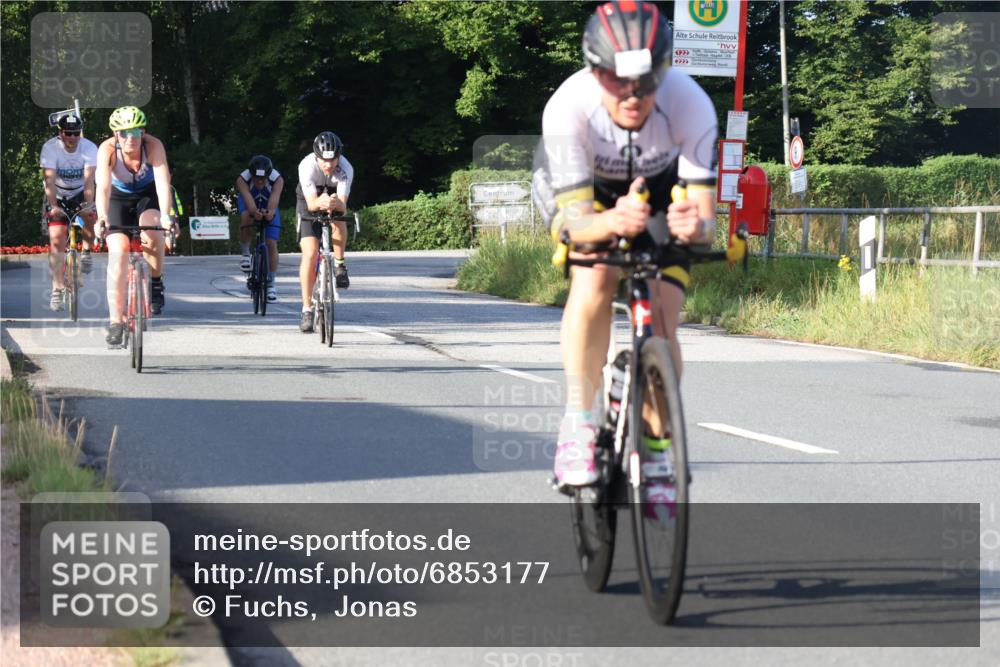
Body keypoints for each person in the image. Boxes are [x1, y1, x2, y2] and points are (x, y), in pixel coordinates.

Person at [532, 1, 718, 490]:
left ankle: (657, 446)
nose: (633, 95)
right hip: (585, 192)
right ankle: (578, 423)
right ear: (595, 72)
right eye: (617, 81)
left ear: (664, 70)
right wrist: (611, 219)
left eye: (646, 80)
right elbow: (575, 224)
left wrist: (690, 225)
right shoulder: (569, 106)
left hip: (658, 192)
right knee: (594, 274)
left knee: (663, 312)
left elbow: (705, 220)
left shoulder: (691, 102)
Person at [94, 106, 176, 346]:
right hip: (117, 198)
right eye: (123, 132)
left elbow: (163, 183)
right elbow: (103, 188)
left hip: (147, 195)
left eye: (135, 132)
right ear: (114, 134)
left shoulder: (153, 146)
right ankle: (116, 322)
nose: (130, 138)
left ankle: (156, 281)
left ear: (143, 132)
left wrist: (167, 216)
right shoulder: (107, 149)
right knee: (118, 252)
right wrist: (101, 217)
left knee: (152, 229)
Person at [295, 131, 354, 333]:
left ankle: (339, 265)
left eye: (333, 160)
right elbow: (311, 204)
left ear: (339, 156)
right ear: (316, 156)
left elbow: (344, 207)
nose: (329, 165)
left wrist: (336, 204)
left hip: (333, 198)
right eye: (324, 161)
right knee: (310, 253)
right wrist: (320, 202)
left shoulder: (346, 168)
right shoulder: (306, 166)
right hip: (309, 200)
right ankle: (307, 309)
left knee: (339, 219)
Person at [40, 113, 98, 310]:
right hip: (58, 194)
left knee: (89, 214)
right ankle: (57, 290)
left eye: (76, 133)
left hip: (81, 192)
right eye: (68, 133)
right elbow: (49, 181)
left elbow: (90, 180)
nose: (72, 137)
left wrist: (88, 204)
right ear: (60, 133)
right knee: (56, 240)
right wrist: (53, 205)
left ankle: (87, 251)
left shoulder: (89, 147)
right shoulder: (50, 148)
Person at [237, 155, 284, 302]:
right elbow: (249, 202)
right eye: (257, 179)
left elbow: (274, 200)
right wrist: (254, 212)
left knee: (271, 243)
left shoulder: (278, 179)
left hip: (268, 202)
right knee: (246, 216)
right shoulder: (242, 179)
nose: (260, 182)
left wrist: (269, 213)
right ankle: (245, 254)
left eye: (263, 179)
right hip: (249, 201)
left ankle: (271, 284)